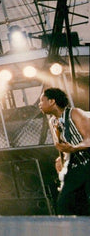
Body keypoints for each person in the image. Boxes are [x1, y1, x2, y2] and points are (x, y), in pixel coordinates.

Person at [39, 87, 90, 215]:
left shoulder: (75, 113)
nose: (39, 104)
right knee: (64, 205)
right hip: (75, 168)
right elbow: (63, 147)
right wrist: (61, 161)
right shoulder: (53, 121)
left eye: (41, 101)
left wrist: (75, 148)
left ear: (52, 101)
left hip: (88, 163)